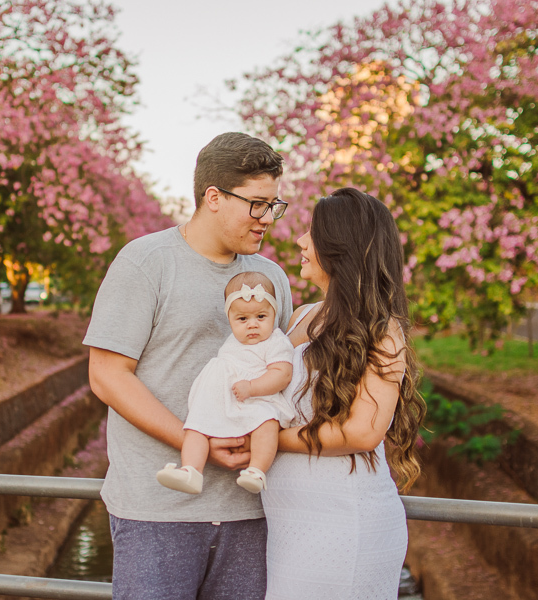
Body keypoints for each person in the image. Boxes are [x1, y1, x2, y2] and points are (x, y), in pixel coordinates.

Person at [84, 132, 292, 600]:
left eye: (274, 206)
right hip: (158, 509)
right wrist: (196, 442)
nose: (267, 219)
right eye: (257, 204)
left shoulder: (272, 277)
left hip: (251, 512)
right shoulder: (146, 262)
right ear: (213, 197)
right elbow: (106, 375)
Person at [262, 188, 426, 599]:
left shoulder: (382, 329)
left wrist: (265, 442)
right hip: (287, 525)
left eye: (312, 233)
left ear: (340, 248)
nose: (300, 241)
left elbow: (364, 432)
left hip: (343, 522)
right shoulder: (301, 316)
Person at [156, 271, 295, 496]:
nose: (252, 325)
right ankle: (191, 470)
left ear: (274, 314)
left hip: (257, 398)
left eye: (261, 317)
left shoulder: (275, 341)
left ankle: (257, 470)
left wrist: (252, 387)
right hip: (222, 399)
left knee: (267, 422)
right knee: (197, 426)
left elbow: (282, 374)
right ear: (229, 319)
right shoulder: (233, 340)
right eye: (242, 319)